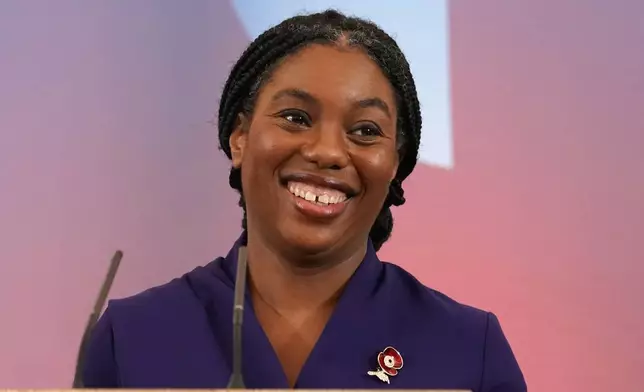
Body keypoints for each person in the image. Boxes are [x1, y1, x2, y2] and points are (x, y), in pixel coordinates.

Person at [82, 9, 526, 391]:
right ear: (240, 137)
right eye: (295, 118)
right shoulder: (134, 335)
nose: (328, 152)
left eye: (366, 131)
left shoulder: (468, 347)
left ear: (395, 162)